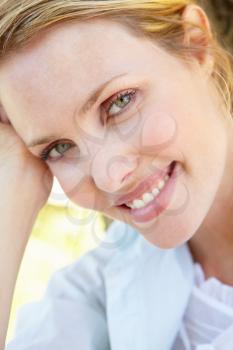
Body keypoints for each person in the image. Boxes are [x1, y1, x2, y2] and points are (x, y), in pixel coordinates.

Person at [0, 0, 232, 349]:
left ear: (194, 45)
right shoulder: (97, 291)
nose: (109, 179)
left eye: (120, 102)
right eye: (59, 149)